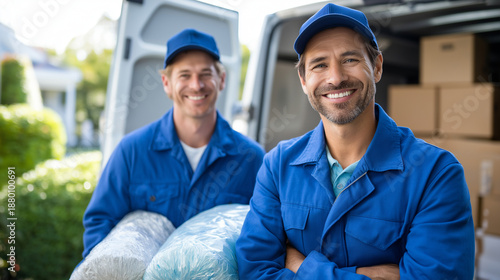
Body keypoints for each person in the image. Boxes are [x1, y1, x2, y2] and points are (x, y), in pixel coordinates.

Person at [235, 3, 474, 280]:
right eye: (320, 64)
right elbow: (254, 272)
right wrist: (374, 275)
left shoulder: (436, 173)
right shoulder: (278, 166)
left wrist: (303, 266)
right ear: (303, 79)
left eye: (350, 60)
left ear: (377, 67)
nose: (335, 78)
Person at [81, 28, 265, 258]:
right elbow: (101, 224)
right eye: (184, 75)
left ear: (222, 80)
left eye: (206, 74)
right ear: (167, 83)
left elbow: (265, 237)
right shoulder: (132, 151)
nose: (196, 85)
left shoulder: (251, 158)